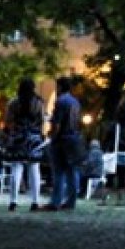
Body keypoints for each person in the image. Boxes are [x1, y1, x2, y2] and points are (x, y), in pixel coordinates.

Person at [4, 77, 45, 212]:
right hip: (34, 137)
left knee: (16, 169)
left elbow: (8, 120)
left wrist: (11, 132)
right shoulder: (38, 102)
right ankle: (35, 201)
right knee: (34, 170)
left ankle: (13, 201)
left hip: (18, 137)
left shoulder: (13, 103)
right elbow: (42, 120)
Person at [44, 77, 82, 211]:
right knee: (72, 171)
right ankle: (71, 201)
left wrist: (52, 135)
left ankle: (56, 201)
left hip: (61, 140)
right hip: (74, 138)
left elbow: (57, 123)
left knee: (59, 172)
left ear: (60, 86)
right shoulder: (76, 102)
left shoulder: (60, 101)